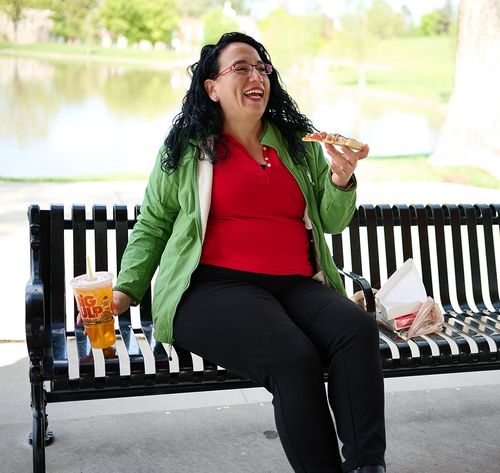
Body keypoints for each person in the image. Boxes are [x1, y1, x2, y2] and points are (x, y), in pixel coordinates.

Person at [111, 32, 386, 473]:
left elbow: (332, 222)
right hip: (211, 287)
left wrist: (340, 179)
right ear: (212, 88)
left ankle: (368, 467)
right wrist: (127, 288)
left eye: (262, 68)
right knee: (293, 357)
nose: (256, 75)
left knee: (355, 328)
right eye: (241, 67)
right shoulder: (187, 148)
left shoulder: (299, 144)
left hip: (295, 283)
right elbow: (155, 222)